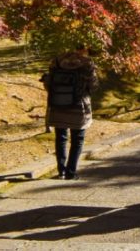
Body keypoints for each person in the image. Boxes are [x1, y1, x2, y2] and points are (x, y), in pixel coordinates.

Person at [41, 44, 98, 180]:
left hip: (58, 104)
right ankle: (71, 172)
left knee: (60, 137)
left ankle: (61, 171)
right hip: (79, 106)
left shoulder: (57, 61)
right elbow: (94, 86)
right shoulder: (87, 64)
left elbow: (48, 82)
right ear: (85, 49)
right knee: (77, 139)